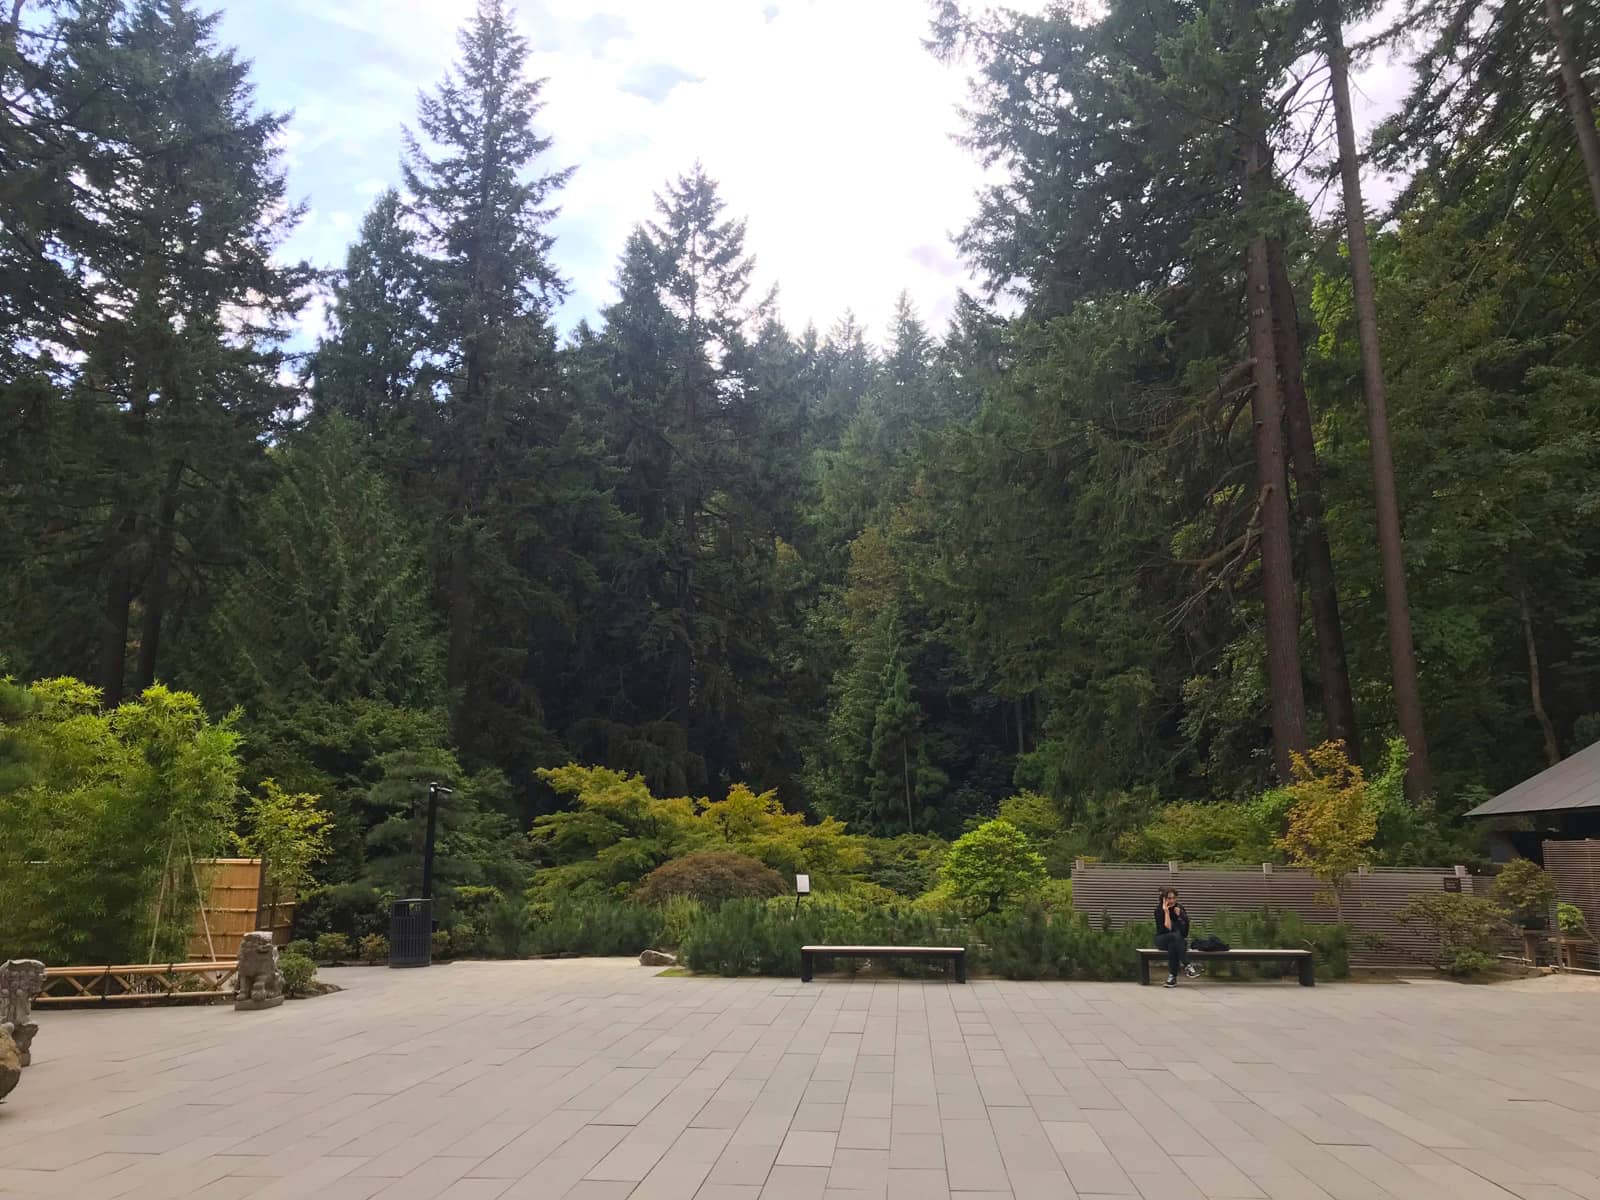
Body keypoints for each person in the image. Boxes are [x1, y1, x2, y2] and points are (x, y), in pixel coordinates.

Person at [1154, 888, 1198, 987]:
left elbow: (1184, 933)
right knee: (1173, 937)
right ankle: (1187, 965)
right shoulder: (1159, 910)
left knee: (1174, 945)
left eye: (1174, 898)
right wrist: (1166, 912)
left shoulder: (1180, 909)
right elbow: (1168, 929)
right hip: (1162, 939)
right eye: (1169, 898)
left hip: (1178, 942)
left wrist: (1180, 917)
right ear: (1164, 899)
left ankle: (1172, 977)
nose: (1172, 901)